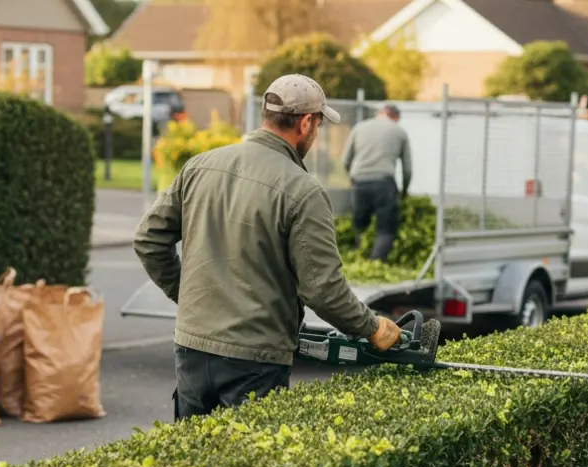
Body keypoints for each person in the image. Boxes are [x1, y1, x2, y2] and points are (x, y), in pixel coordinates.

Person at [134, 74, 403, 421]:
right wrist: (372, 328)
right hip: (256, 359)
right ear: (306, 123)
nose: (316, 133)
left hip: (192, 346)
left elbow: (148, 240)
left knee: (193, 466)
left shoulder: (200, 166)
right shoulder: (304, 190)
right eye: (319, 124)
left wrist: (186, 295)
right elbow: (322, 289)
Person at [341, 103, 412, 261]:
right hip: (384, 183)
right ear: (396, 117)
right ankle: (376, 262)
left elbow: (345, 160)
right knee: (385, 227)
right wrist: (404, 192)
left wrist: (353, 178)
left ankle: (357, 257)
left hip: (359, 182)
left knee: (360, 223)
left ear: (380, 113)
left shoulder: (359, 128)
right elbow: (407, 169)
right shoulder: (399, 131)